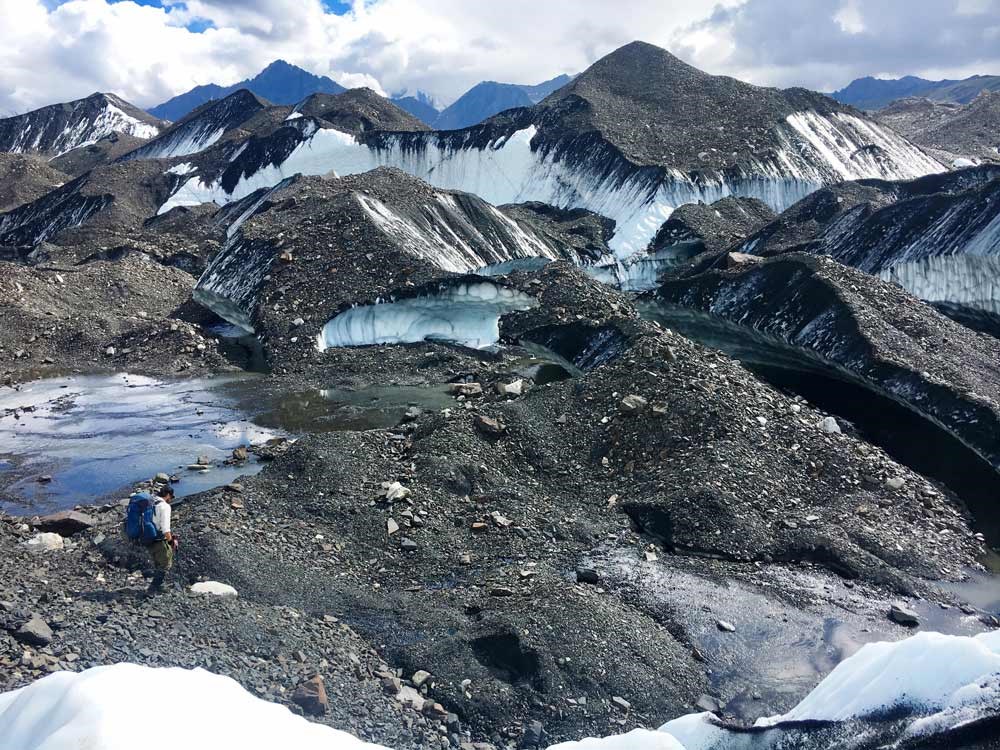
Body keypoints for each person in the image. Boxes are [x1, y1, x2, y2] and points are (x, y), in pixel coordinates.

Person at [147, 485, 178, 594]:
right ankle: (152, 589)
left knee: (157, 562)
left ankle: (159, 586)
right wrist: (171, 542)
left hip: (147, 537)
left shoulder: (151, 501)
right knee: (166, 563)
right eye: (171, 497)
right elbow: (165, 528)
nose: (171, 500)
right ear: (168, 495)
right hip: (159, 539)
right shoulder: (164, 506)